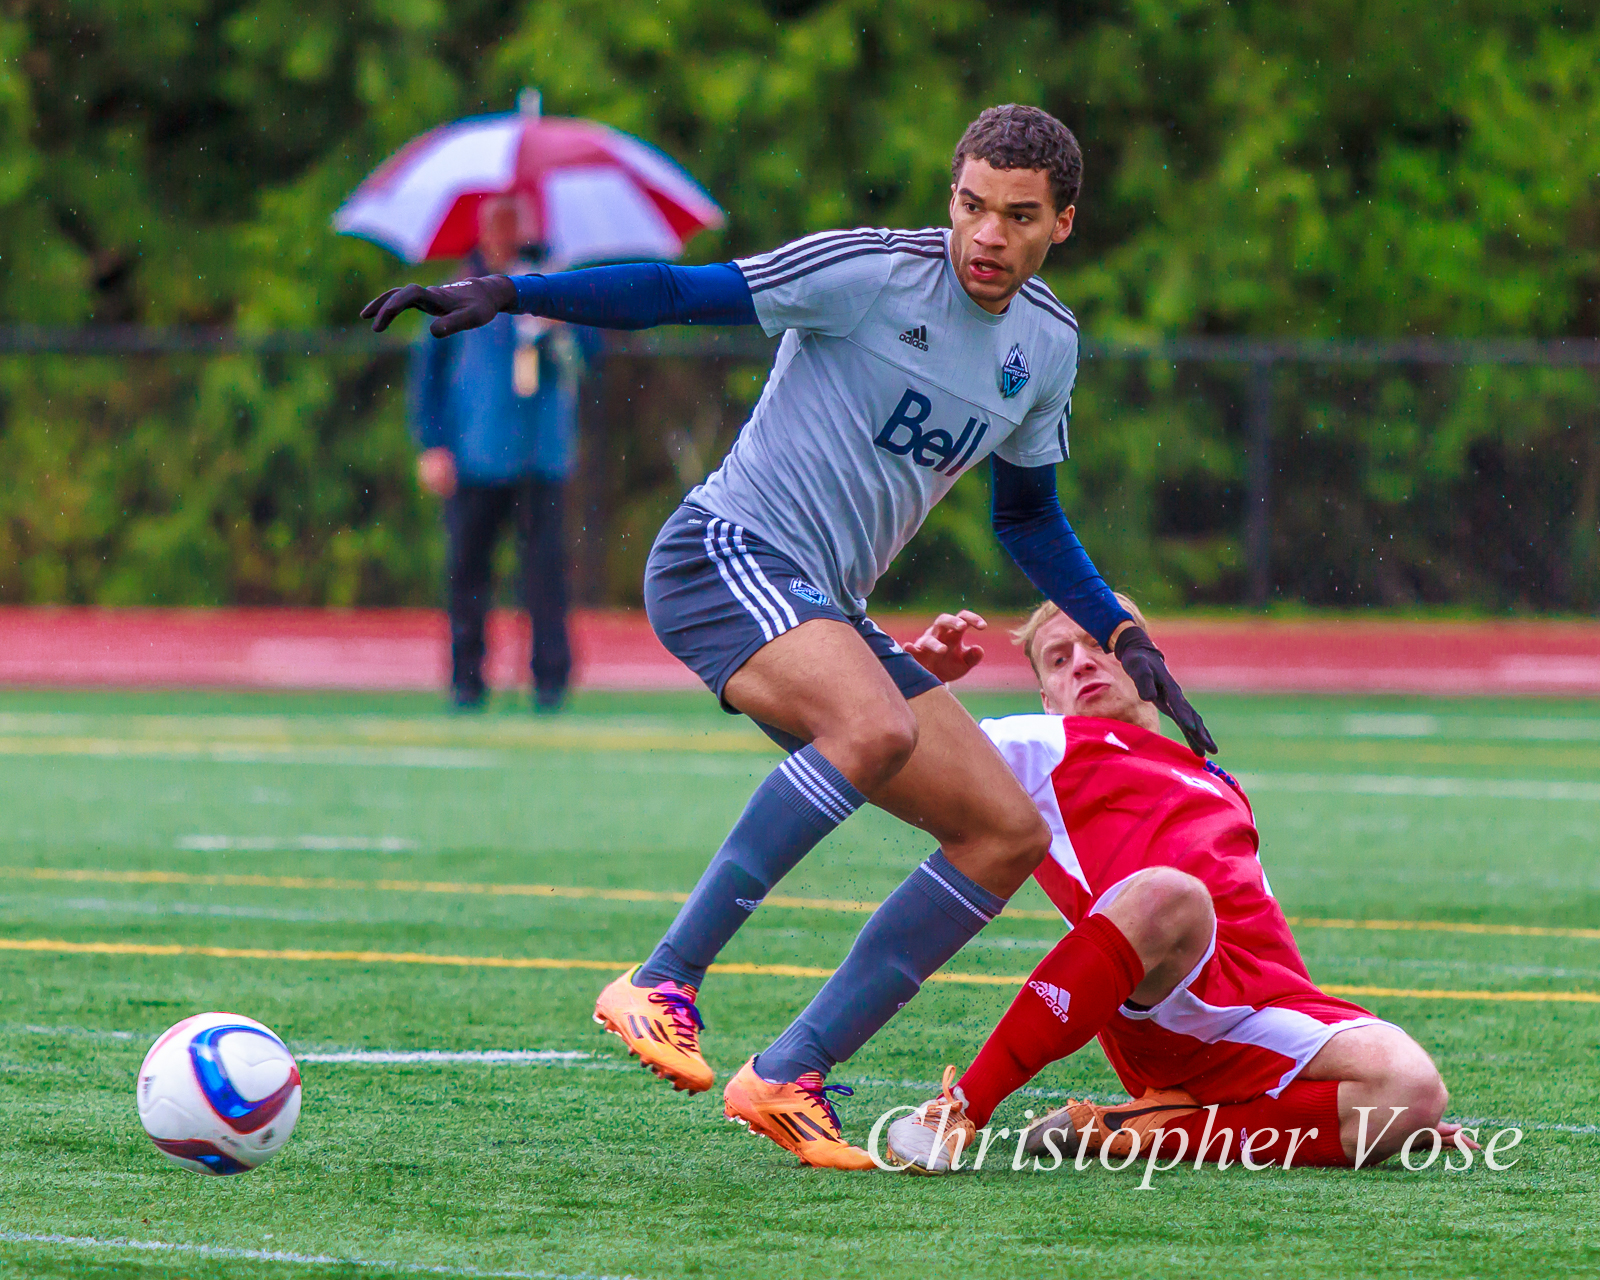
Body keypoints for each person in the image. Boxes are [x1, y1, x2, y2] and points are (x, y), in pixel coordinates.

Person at [364, 104, 1215, 1171]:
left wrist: (1128, 637)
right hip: (723, 552)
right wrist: (516, 292)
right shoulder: (868, 271)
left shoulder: (1045, 346)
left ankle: (789, 1070)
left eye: (1017, 215)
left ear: (1063, 223)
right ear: (948, 196)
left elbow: (1027, 518)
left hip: (827, 601)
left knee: (1005, 832)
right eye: (969, 206)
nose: (986, 235)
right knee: (871, 726)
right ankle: (661, 980)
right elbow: (682, 293)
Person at [883, 601, 1475, 1172]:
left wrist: (1368, 1109)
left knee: (1413, 1091)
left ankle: (1137, 1129)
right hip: (1165, 1000)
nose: (1082, 662)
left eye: (1098, 643)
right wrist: (913, 690)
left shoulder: (1215, 777)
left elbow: (1260, 926)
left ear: (1147, 661)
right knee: (1175, 893)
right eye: (1059, 660)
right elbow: (877, 748)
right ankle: (958, 1109)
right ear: (1046, 698)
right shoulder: (1041, 746)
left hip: (1259, 1004)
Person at [409, 194, 597, 712]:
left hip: (540, 453)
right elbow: (428, 373)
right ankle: (466, 679)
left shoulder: (554, 283)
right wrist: (433, 443)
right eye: (497, 225)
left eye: (515, 225)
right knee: (467, 570)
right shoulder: (456, 288)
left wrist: (559, 327)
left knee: (545, 573)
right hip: (477, 452)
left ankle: (550, 680)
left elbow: (587, 360)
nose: (505, 236)